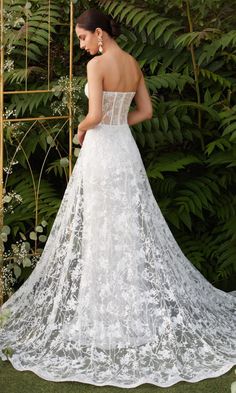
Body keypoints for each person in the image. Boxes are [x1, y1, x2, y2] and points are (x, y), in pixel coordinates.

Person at [0, 7, 236, 389]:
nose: (81, 45)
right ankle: (131, 315)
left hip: (101, 152)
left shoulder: (98, 66)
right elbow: (146, 111)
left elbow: (93, 114)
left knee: (100, 227)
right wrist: (116, 124)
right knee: (124, 227)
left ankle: (102, 316)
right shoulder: (131, 62)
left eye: (81, 37)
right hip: (124, 151)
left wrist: (81, 129)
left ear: (99, 35)